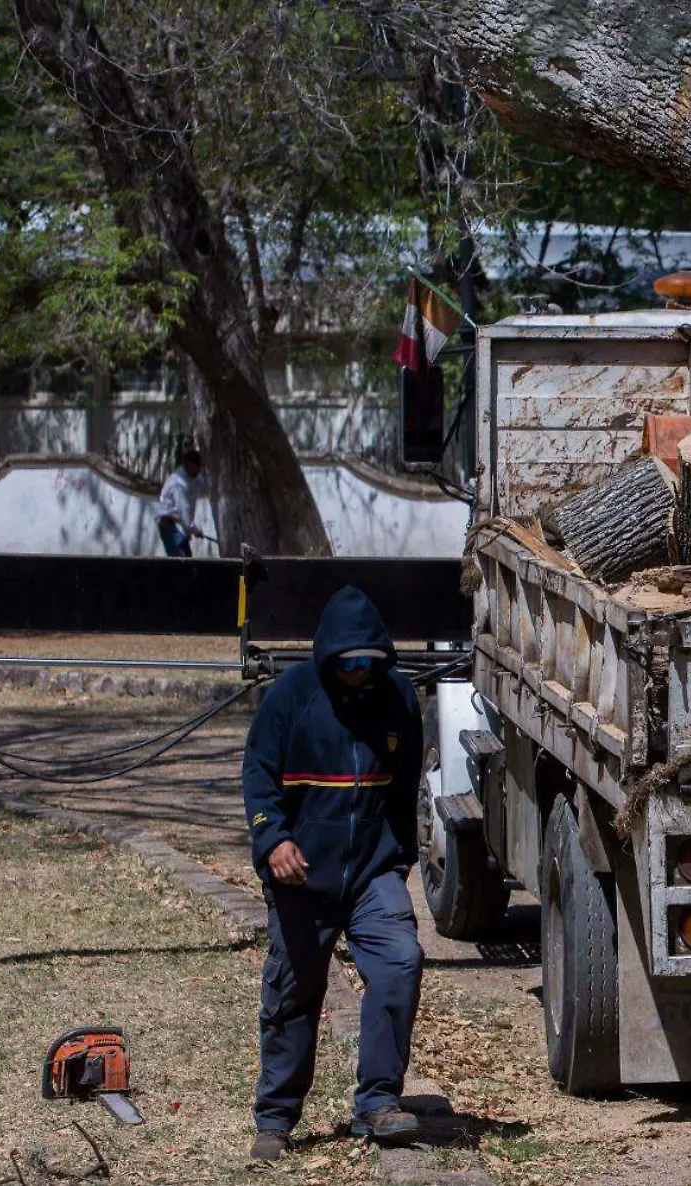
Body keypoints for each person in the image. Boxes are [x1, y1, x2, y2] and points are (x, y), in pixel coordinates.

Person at [242, 586, 425, 1161]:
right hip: (301, 875)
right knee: (294, 990)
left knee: (400, 961)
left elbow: (406, 782)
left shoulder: (399, 699)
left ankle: (377, 1103)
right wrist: (274, 840)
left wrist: (398, 858)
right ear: (328, 658)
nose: (358, 672)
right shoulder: (288, 699)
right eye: (347, 662)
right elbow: (258, 777)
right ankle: (275, 1118)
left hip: (372, 870)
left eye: (368, 662)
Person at [156, 447, 209, 557]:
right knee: (180, 564)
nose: (199, 470)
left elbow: (205, 487)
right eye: (197, 467)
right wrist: (195, 530)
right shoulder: (179, 484)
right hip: (171, 527)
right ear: (188, 464)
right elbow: (184, 511)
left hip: (180, 527)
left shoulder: (194, 477)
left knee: (187, 563)